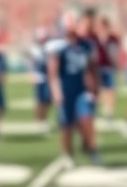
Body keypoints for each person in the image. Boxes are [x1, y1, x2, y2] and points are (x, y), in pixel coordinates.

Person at [46, 10, 100, 167]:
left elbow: (92, 69)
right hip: (65, 89)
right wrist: (56, 92)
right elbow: (53, 73)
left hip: (81, 89)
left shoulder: (87, 45)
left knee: (87, 118)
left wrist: (95, 87)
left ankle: (92, 148)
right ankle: (68, 153)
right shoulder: (58, 46)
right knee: (67, 125)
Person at [24, 25, 52, 131]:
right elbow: (30, 64)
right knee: (40, 100)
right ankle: (39, 119)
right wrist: (30, 75)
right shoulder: (34, 49)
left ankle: (44, 118)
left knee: (48, 100)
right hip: (38, 77)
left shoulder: (49, 47)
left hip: (47, 77)